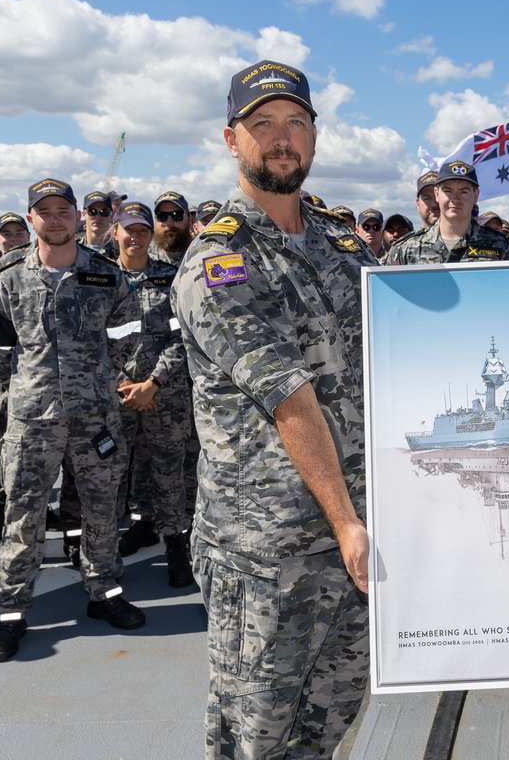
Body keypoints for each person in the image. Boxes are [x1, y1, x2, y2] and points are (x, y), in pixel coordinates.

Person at [175, 59, 373, 758]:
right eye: (263, 125)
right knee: (255, 736)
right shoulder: (218, 262)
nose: (281, 138)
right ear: (233, 139)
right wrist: (349, 520)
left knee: (330, 724)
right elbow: (291, 398)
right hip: (267, 552)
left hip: (347, 543)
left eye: (295, 122)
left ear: (314, 134)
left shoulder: (341, 246)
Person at [0, 177, 146, 663]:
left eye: (62, 211)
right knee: (22, 514)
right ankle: (10, 613)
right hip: (33, 420)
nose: (54, 220)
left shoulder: (106, 275)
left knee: (100, 507)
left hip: (95, 416)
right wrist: (29, 391)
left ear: (77, 217)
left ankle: (105, 592)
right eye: (44, 212)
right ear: (31, 218)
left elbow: (129, 334)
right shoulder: (8, 278)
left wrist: (97, 376)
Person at [108, 202, 193, 588]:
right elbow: (88, 340)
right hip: (116, 395)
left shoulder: (171, 278)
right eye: (129, 230)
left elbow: (183, 337)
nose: (136, 237)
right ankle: (108, 551)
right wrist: (121, 384)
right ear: (115, 233)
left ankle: (176, 544)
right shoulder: (99, 278)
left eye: (143, 231)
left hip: (164, 394)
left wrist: (152, 383)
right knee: (113, 472)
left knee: (168, 472)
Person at [0, 212, 33, 539]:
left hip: (34, 380)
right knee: (0, 446)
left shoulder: (35, 272)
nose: (13, 239)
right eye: (6, 234)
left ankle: (40, 510)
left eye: (19, 234)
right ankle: (2, 507)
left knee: (33, 450)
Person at [384, 161, 509, 264]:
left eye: (463, 191)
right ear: (437, 194)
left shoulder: (499, 245)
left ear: (475, 195)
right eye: (448, 191)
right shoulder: (406, 248)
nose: (455, 199)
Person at [152, 191, 194, 264]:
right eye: (162, 216)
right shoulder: (141, 257)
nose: (169, 223)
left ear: (189, 219)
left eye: (176, 215)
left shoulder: (200, 254)